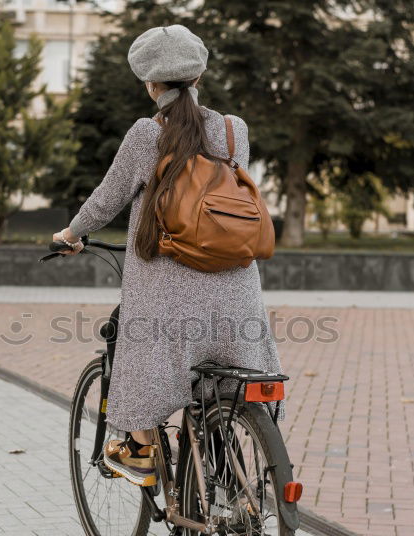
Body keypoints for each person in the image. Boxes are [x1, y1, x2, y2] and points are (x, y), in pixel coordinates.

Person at [52, 24, 282, 487]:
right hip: (237, 292)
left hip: (166, 297)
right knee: (229, 383)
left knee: (136, 344)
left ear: (149, 83)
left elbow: (106, 199)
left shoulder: (145, 135)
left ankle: (139, 447)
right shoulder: (235, 131)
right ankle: (233, 488)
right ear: (198, 77)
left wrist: (70, 234)